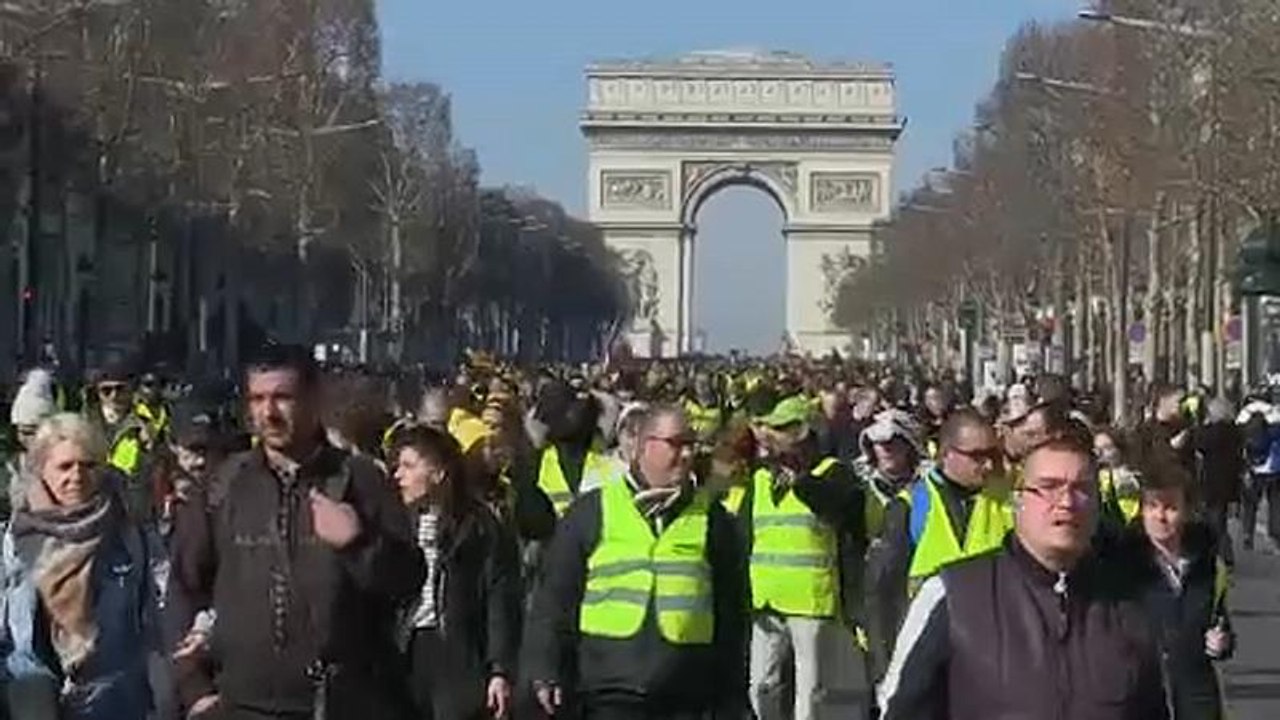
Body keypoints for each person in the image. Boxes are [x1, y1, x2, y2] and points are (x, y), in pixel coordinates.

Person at [176, 345, 425, 720]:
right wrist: (195, 690)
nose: (268, 413)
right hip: (240, 706)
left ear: (313, 399)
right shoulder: (225, 484)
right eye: (258, 399)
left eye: (282, 398)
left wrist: (359, 543)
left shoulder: (361, 480)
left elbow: (408, 582)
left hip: (340, 704)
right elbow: (183, 587)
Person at [878, 431, 1169, 720]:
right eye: (1049, 487)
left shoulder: (1128, 603)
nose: (1067, 502)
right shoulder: (953, 595)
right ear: (1019, 501)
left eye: (1081, 489)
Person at [525, 405, 747, 719]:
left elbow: (732, 612)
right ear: (644, 446)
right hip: (609, 693)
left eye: (690, 444)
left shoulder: (713, 519)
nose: (686, 454)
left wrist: (733, 692)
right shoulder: (592, 512)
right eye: (675, 443)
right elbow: (555, 597)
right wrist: (546, 667)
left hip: (687, 694)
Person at [0, 413, 160, 719]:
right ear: (41, 469)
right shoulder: (17, 538)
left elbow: (153, 617)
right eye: (64, 466)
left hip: (116, 703)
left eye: (88, 465)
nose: (77, 476)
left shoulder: (126, 531)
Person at [741, 395, 868, 720]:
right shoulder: (759, 479)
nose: (775, 436)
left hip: (810, 602)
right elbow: (745, 535)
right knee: (760, 686)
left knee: (810, 693)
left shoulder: (834, 473)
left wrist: (802, 481)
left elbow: (842, 511)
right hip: (765, 602)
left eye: (785, 429)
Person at [392, 426, 521, 720]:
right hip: (403, 651)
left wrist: (499, 669)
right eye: (398, 466)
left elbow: (500, 600)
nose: (398, 476)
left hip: (456, 653)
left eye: (409, 466)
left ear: (439, 473)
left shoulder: (479, 527)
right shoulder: (394, 522)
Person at [1124, 462, 1232, 720]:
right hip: (1138, 698)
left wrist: (1222, 642)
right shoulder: (1123, 563)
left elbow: (1220, 621)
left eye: (1170, 508)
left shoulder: (1207, 565)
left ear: (1187, 511)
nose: (1160, 516)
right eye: (1152, 506)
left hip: (1197, 698)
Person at [896, 409, 1013, 594]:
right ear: (946, 453)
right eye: (977, 456)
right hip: (932, 617)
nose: (989, 464)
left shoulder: (1008, 499)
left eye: (992, 454)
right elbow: (885, 581)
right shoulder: (911, 503)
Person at [4, 368, 58, 517]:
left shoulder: (65, 462)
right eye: (25, 432)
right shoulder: (11, 466)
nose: (32, 439)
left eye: (37, 431)